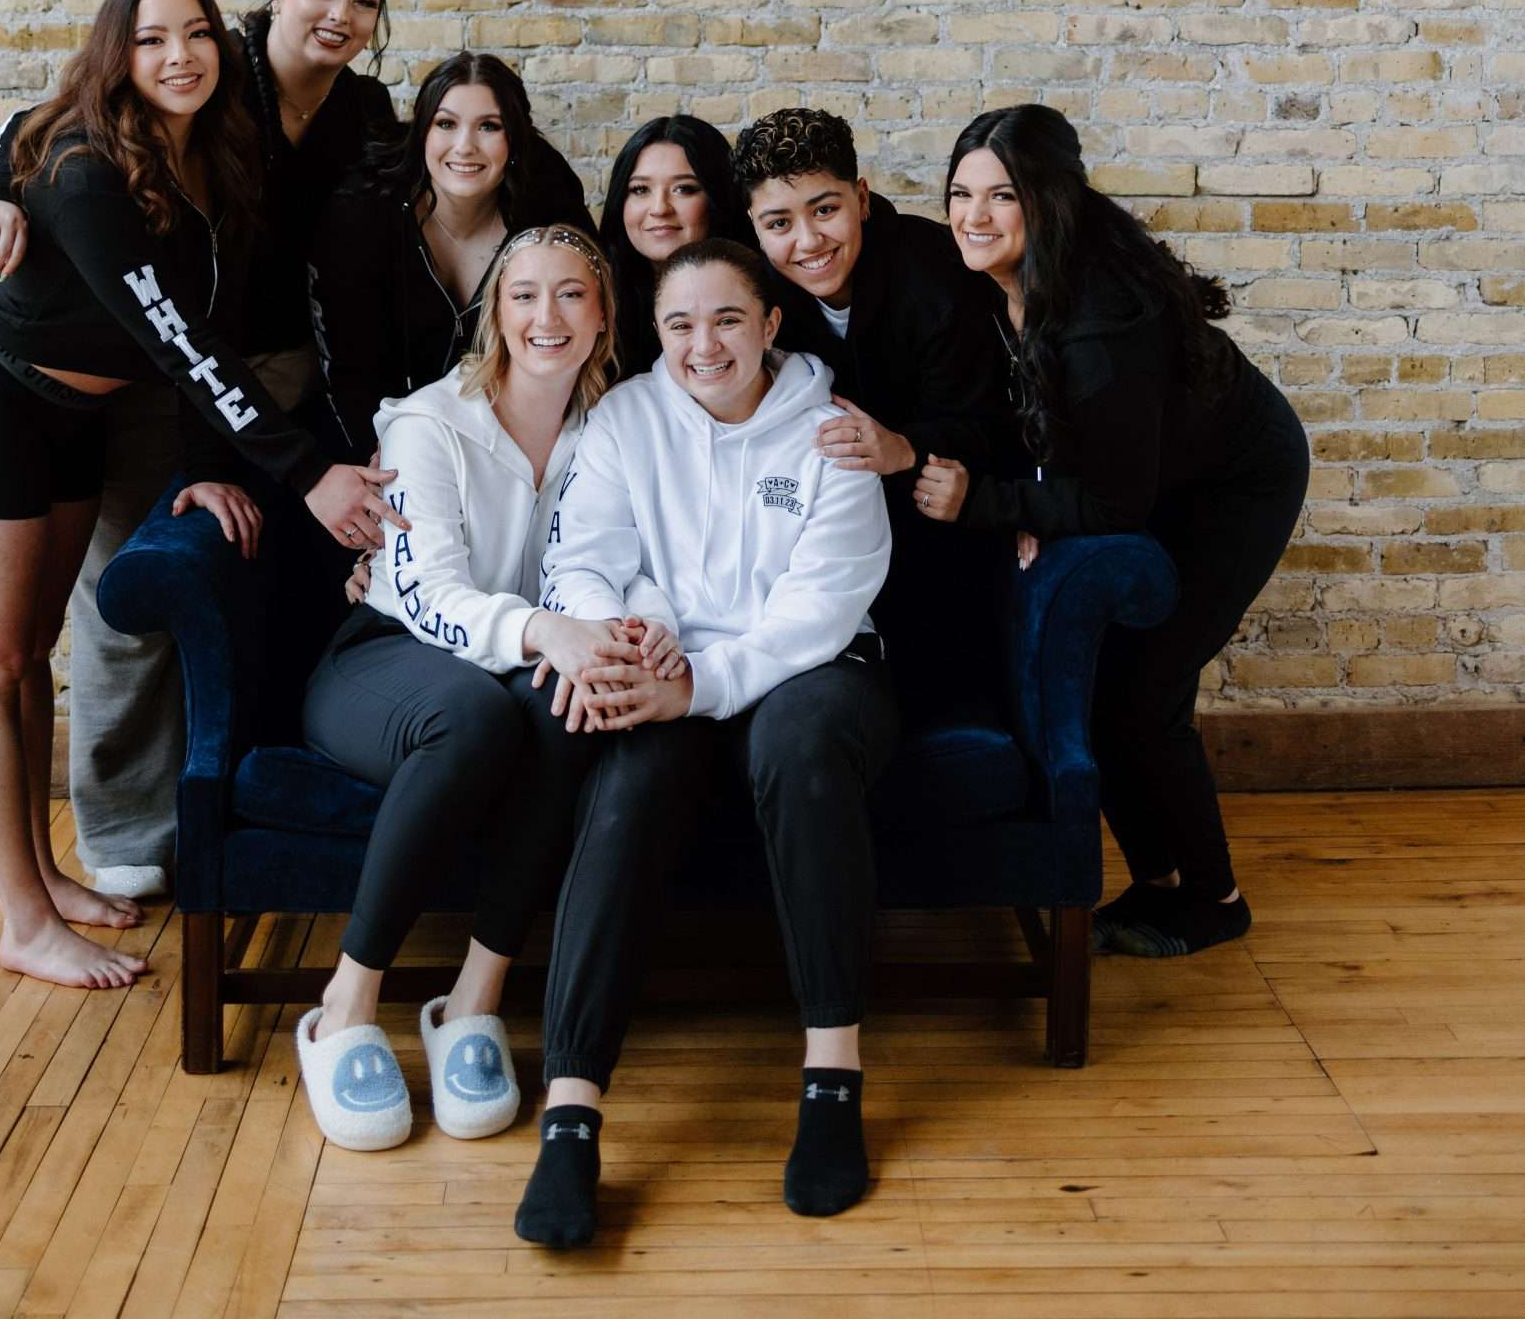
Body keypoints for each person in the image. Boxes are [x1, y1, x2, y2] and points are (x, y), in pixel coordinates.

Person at [0, 0, 400, 990]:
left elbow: (209, 321)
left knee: (36, 649)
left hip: (77, 416)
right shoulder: (89, 167)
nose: (179, 55)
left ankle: (44, 875)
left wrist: (217, 464)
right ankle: (20, 916)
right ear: (116, 57)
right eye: (151, 40)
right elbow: (181, 341)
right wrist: (305, 472)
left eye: (197, 35)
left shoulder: (208, 150)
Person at [515, 237, 895, 1249]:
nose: (702, 344)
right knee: (632, 782)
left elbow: (823, 604)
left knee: (799, 753)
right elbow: (586, 556)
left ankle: (831, 1082)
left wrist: (704, 686)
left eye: (728, 318)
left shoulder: (829, 430)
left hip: (814, 671)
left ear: (772, 323)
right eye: (680, 323)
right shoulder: (628, 417)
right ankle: (570, 1116)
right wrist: (626, 635)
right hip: (673, 668)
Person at [297, 225, 681, 1149]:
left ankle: (473, 1000)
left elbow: (644, 555)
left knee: (566, 704)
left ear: (603, 316)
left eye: (570, 296)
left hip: (516, 666)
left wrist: (644, 625)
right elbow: (427, 593)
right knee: (473, 716)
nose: (545, 316)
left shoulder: (621, 423)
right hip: (386, 657)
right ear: (494, 315)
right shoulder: (431, 422)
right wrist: (547, 628)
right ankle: (345, 1008)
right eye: (524, 296)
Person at [932, 103, 1311, 959]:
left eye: (1001, 196)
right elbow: (1052, 438)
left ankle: (1215, 899)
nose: (972, 216)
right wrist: (1033, 497)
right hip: (1150, 472)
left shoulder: (1100, 322)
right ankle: (1158, 883)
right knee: (1108, 690)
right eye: (960, 193)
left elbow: (1111, 505)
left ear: (1048, 201)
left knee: (1144, 696)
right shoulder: (998, 283)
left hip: (1234, 484)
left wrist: (996, 505)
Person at [730, 105, 1008, 677]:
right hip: (807, 524)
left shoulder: (938, 278)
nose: (808, 241)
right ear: (755, 226)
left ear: (860, 198)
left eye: (825, 210)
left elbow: (994, 426)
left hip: (932, 533)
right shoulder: (757, 291)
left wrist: (901, 448)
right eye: (778, 223)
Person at [309, 51, 590, 453]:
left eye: (489, 127)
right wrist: (378, 452)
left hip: (509, 437)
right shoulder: (363, 212)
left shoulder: (545, 204)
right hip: (378, 436)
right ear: (422, 131)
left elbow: (583, 319)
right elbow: (346, 364)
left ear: (513, 138)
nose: (465, 146)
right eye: (446, 124)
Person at [595, 114, 748, 377]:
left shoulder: (762, 292)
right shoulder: (594, 300)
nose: (659, 209)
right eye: (641, 190)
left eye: (684, 189)